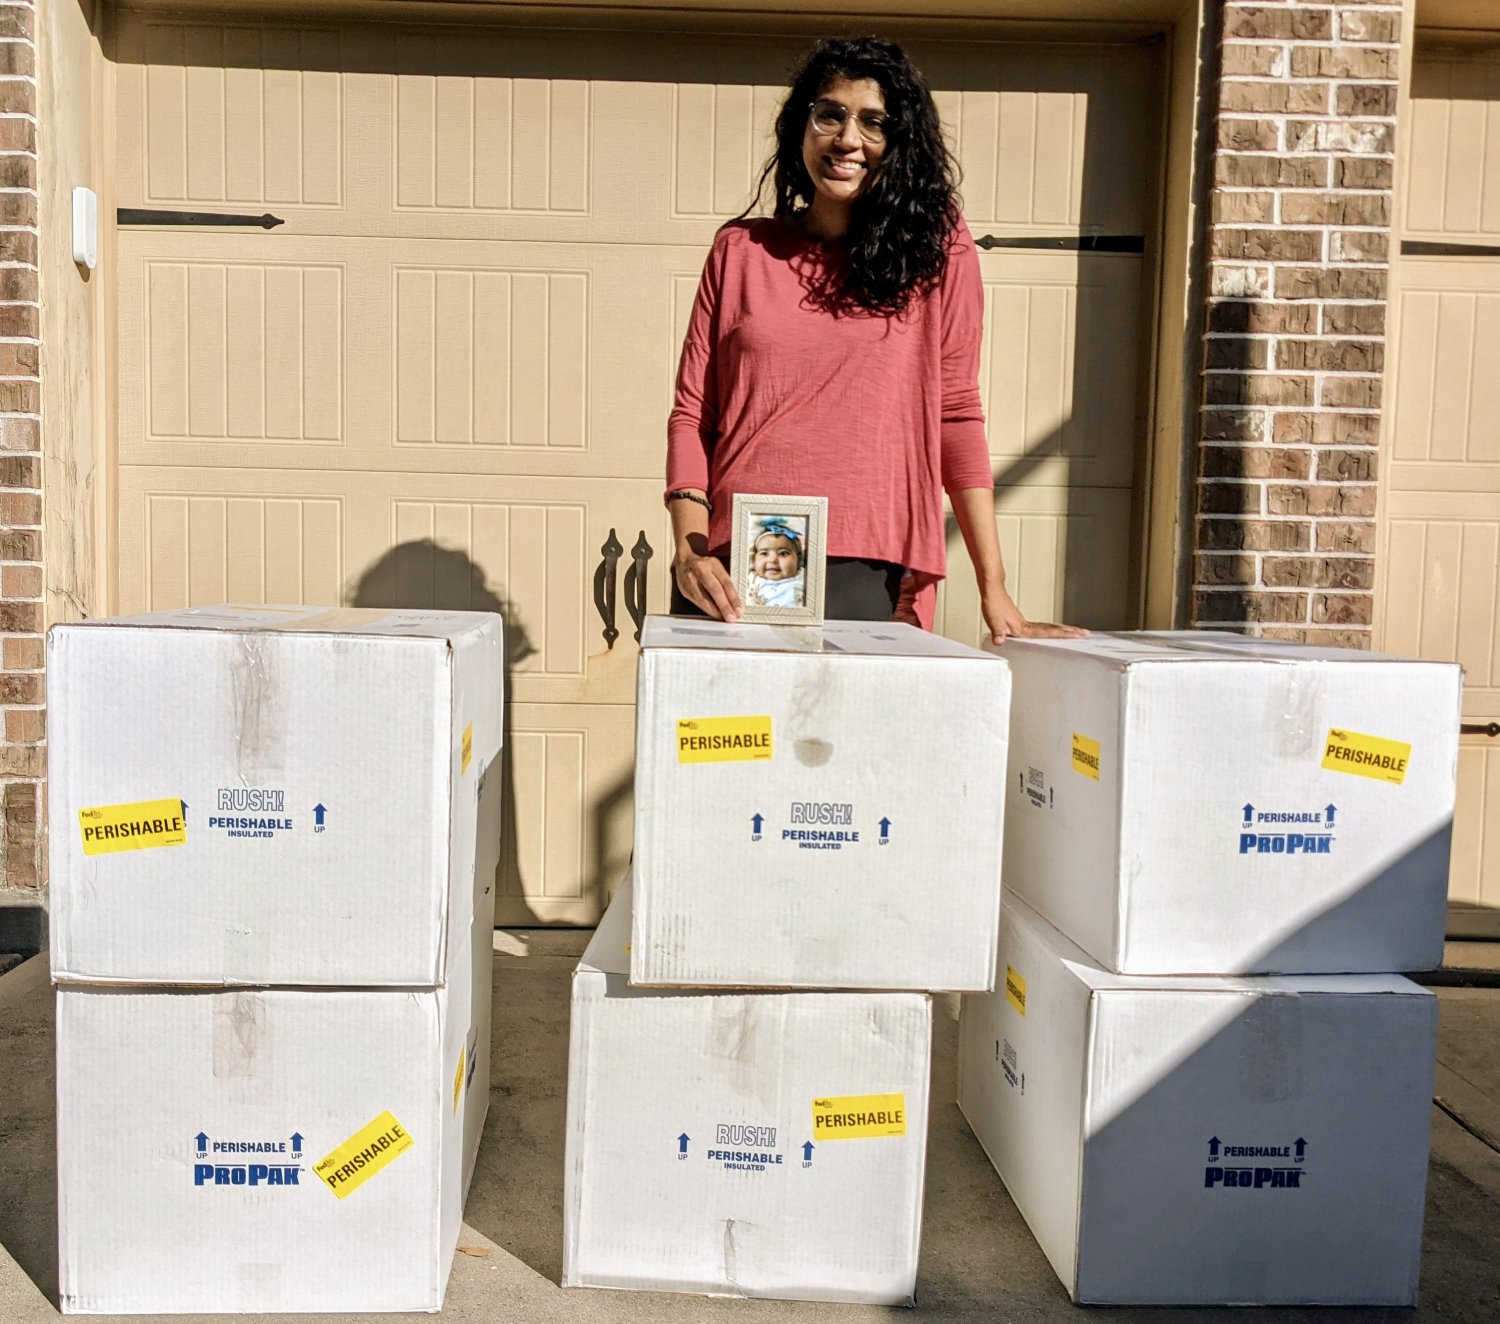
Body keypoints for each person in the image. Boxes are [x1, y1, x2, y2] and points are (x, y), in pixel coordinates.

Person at [664, 35, 1084, 643]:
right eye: (829, 114)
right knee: (735, 739)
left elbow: (957, 416)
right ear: (800, 127)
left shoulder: (937, 249)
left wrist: (995, 589)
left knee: (850, 738)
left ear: (899, 142)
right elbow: (691, 415)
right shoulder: (740, 252)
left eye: (874, 123)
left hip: (873, 560)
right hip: (740, 563)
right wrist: (688, 549)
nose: (848, 139)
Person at [747, 520, 806, 608]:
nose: (773, 560)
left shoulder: (804, 577)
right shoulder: (753, 579)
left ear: (798, 558)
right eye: (764, 553)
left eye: (783, 553)